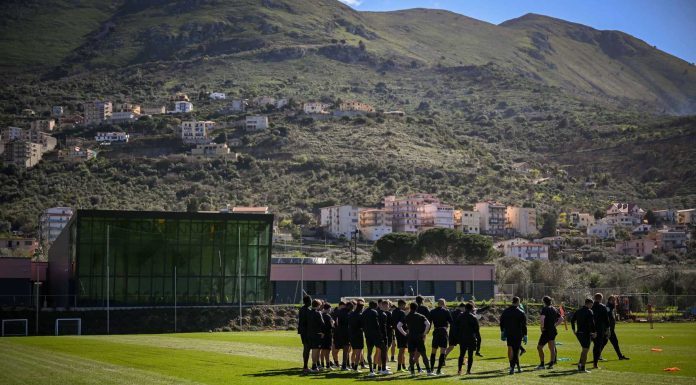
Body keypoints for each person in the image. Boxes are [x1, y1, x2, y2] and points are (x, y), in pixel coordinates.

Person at [397, 302, 435, 376]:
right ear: (416, 308)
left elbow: (398, 326)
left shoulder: (406, 317)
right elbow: (428, 324)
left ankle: (412, 372)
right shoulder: (420, 316)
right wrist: (424, 333)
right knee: (423, 354)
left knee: (411, 355)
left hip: (410, 337)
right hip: (419, 336)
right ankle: (429, 371)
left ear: (410, 308)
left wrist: (405, 334)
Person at [499, 296, 527, 375]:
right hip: (518, 334)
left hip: (509, 333)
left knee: (511, 349)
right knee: (516, 351)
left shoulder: (506, 311)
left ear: (512, 301)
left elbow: (501, 322)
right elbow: (524, 325)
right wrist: (525, 335)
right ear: (518, 302)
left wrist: (502, 332)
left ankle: (517, 367)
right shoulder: (521, 312)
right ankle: (512, 368)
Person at [362, 300, 389, 376]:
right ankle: (383, 369)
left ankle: (371, 371)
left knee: (369, 352)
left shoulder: (364, 313)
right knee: (383, 349)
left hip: (368, 335)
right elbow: (377, 325)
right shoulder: (375, 312)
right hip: (376, 335)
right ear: (375, 306)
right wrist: (381, 335)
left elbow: (362, 324)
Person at [536, 296, 563, 370]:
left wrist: (542, 327)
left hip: (546, 330)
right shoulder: (554, 309)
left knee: (539, 347)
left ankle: (542, 364)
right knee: (552, 348)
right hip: (553, 331)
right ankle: (551, 363)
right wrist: (555, 325)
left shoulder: (545, 309)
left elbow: (542, 318)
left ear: (544, 302)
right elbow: (561, 319)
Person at [572, 298, 597, 373]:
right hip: (586, 333)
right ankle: (582, 368)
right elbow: (592, 323)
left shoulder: (578, 311)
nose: (591, 306)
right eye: (591, 304)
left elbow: (572, 320)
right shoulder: (589, 311)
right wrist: (594, 332)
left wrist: (574, 330)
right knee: (585, 351)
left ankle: (580, 365)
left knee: (584, 349)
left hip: (579, 333)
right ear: (588, 303)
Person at [429, 298, 453, 375]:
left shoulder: (432, 311)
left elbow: (429, 323)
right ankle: (438, 370)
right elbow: (451, 322)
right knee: (443, 351)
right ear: (444, 304)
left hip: (436, 332)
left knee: (433, 351)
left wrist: (426, 331)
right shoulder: (446, 311)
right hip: (443, 332)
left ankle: (431, 370)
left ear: (437, 303)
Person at [456, 302, 481, 375]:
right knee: (470, 355)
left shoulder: (460, 316)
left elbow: (456, 326)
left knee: (461, 354)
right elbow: (476, 329)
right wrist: (478, 339)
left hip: (462, 337)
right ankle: (468, 371)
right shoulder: (473, 317)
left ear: (465, 308)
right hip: (471, 337)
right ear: (472, 309)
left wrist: (458, 336)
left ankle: (459, 370)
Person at [603, 295, 629, 360]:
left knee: (607, 342)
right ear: (609, 300)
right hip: (608, 329)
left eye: (614, 300)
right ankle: (620, 356)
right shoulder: (608, 307)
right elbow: (607, 318)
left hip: (610, 329)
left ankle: (620, 356)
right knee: (611, 342)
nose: (614, 301)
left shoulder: (610, 307)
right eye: (613, 300)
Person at [591, 293, 610, 369]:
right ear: (601, 299)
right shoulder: (602, 307)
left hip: (591, 329)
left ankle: (582, 363)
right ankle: (595, 363)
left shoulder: (591, 306)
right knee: (597, 346)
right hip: (599, 329)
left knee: (586, 347)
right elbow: (606, 319)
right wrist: (608, 328)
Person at [307, 299, 325, 372]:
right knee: (316, 351)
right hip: (317, 334)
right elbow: (322, 323)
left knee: (314, 350)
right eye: (320, 305)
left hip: (310, 334)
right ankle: (314, 366)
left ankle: (315, 366)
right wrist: (322, 332)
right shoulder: (318, 313)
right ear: (318, 305)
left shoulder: (308, 312)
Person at [391, 299, 409, 372]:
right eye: (404, 305)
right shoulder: (402, 312)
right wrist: (407, 331)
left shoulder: (393, 312)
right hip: (402, 332)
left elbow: (392, 322)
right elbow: (404, 323)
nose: (405, 306)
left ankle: (403, 366)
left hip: (397, 332)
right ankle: (399, 367)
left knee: (403, 350)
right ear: (401, 305)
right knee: (402, 350)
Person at [348, 299, 365, 372]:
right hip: (358, 335)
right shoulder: (360, 315)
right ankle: (355, 367)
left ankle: (352, 365)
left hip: (351, 334)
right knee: (359, 352)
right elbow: (362, 326)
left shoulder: (351, 314)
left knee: (354, 351)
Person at [335, 301, 352, 370]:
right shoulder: (346, 314)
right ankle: (344, 365)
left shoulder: (340, 312)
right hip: (345, 333)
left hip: (339, 333)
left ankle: (345, 364)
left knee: (345, 350)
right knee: (346, 350)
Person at [298, 295, 312, 373]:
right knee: (307, 348)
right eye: (310, 300)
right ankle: (305, 366)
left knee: (305, 348)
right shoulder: (307, 310)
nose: (311, 302)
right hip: (307, 331)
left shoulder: (302, 309)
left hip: (302, 331)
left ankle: (305, 366)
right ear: (308, 301)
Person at [330, 301, 344, 367]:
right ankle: (336, 363)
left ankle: (344, 364)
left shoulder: (342, 312)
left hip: (342, 334)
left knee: (346, 349)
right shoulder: (334, 313)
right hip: (336, 334)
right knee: (335, 349)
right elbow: (332, 323)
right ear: (341, 305)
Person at [320, 303, 335, 370]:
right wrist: (333, 323)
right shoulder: (328, 316)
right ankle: (328, 366)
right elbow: (331, 326)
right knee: (328, 351)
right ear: (328, 309)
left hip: (322, 335)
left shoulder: (321, 315)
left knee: (323, 350)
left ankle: (322, 365)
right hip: (328, 335)